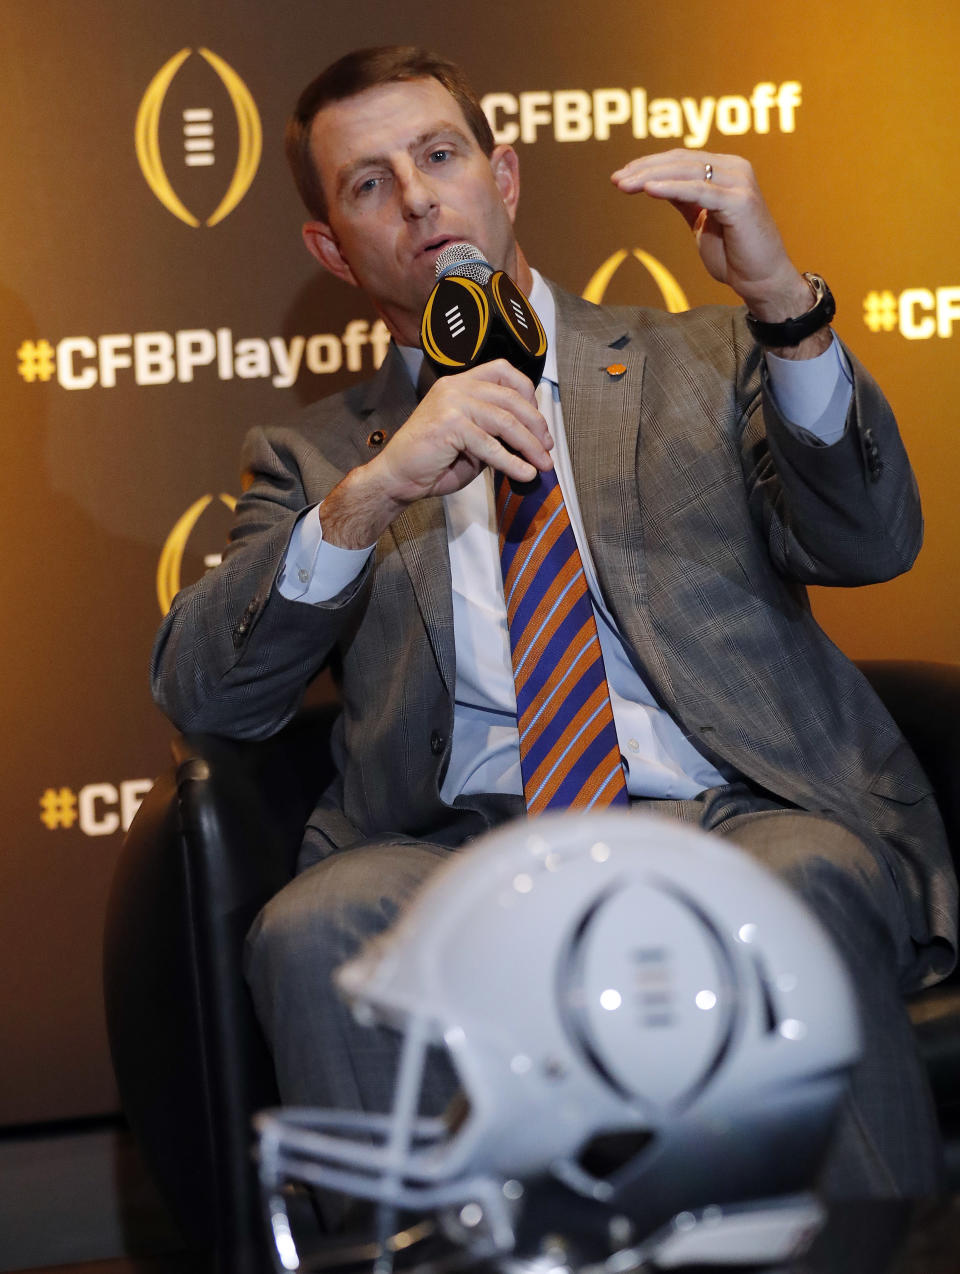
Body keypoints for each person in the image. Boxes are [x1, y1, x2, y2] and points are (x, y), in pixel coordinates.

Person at [151, 45, 956, 1200]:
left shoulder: (702, 355)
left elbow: (872, 542)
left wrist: (785, 307)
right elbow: (204, 692)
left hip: (730, 815)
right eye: (370, 183)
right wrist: (371, 493)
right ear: (332, 247)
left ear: (504, 175)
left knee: (792, 877)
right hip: (465, 850)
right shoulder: (313, 456)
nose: (419, 194)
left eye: (439, 155)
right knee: (317, 927)